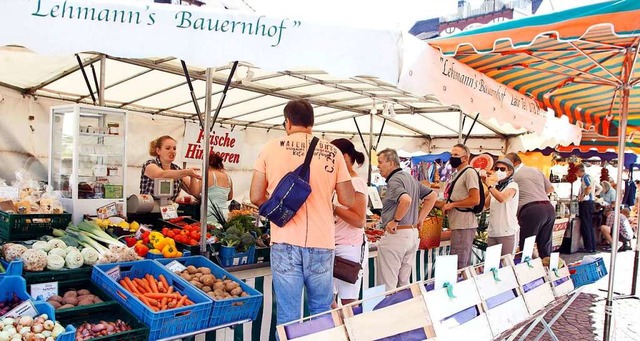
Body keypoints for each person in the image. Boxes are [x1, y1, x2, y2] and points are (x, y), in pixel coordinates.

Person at [249, 99, 356, 327]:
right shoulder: (333, 152)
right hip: (322, 242)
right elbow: (348, 200)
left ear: (287, 122)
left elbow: (255, 196)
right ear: (312, 123)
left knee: (289, 315)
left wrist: (280, 206)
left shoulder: (271, 147)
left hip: (285, 239)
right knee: (321, 310)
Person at [376, 148, 436, 291]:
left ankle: (386, 312)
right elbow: (431, 196)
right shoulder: (409, 178)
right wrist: (420, 219)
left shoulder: (395, 179)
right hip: (411, 234)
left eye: (380, 162)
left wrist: (395, 220)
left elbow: (406, 200)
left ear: (391, 163)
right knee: (403, 282)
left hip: (397, 234)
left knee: (387, 285)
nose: (378, 166)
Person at [330, 139, 368, 306]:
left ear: (344, 157)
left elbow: (359, 220)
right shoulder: (337, 182)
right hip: (333, 246)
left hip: (348, 247)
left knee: (349, 301)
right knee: (328, 300)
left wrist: (333, 208)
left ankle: (351, 330)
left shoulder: (356, 183)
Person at [435, 144, 480, 269]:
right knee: (459, 261)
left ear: (465, 158)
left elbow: (475, 199)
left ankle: (459, 287)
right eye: (451, 155)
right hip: (458, 224)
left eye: (456, 155)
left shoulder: (469, 172)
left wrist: (453, 204)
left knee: (459, 264)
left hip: (464, 224)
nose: (452, 158)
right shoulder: (458, 174)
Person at [504, 153, 556, 258]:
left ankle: (529, 271)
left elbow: (504, 196)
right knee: (545, 244)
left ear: (514, 163)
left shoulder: (512, 176)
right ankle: (548, 270)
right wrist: (537, 194)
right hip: (548, 208)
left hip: (531, 210)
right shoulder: (535, 170)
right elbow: (550, 188)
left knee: (527, 246)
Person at [140, 135, 201, 201]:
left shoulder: (177, 169)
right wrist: (186, 172)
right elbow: (161, 175)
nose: (172, 151)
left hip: (170, 209)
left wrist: (192, 176)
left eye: (174, 148)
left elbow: (195, 193)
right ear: (158, 151)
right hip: (149, 209)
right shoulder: (150, 164)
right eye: (168, 148)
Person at [483, 158, 519, 256]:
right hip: (493, 232)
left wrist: (490, 186)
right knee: (492, 265)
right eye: (496, 169)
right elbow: (484, 206)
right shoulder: (495, 187)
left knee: (507, 264)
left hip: (507, 232)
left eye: (502, 169)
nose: (499, 171)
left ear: (509, 172)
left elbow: (502, 198)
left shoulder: (513, 185)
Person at [206, 152, 233, 223]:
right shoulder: (228, 177)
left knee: (209, 233)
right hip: (225, 214)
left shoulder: (208, 174)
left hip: (210, 214)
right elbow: (230, 197)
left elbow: (196, 193)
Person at [576, 163, 597, 253]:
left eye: (576, 172)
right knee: (589, 225)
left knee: (586, 225)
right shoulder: (590, 177)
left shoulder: (585, 178)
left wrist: (583, 196)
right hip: (590, 203)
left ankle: (588, 247)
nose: (576, 175)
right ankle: (592, 246)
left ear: (579, 171)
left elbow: (589, 187)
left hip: (586, 203)